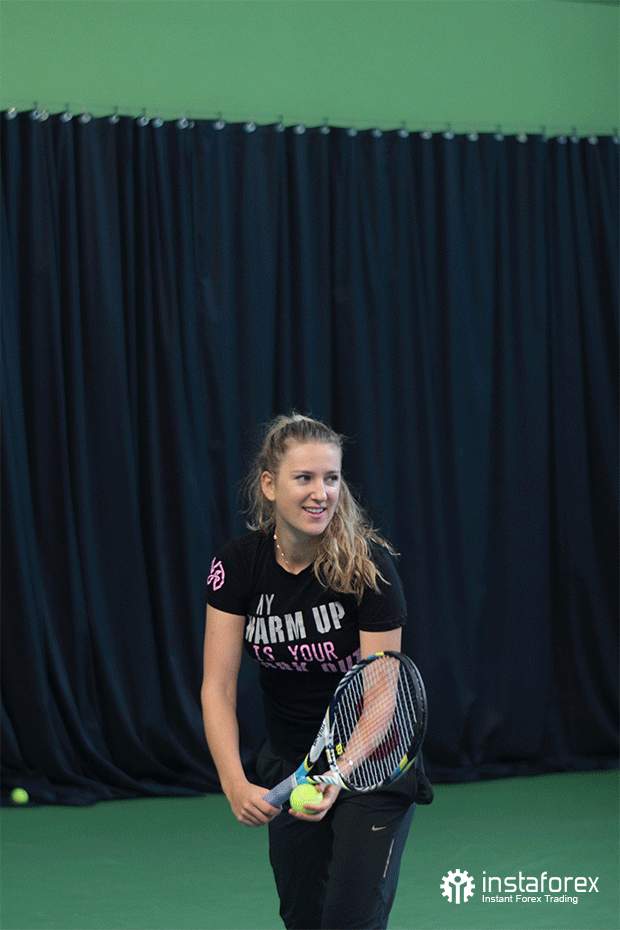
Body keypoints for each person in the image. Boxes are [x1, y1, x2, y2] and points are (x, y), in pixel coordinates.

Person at [202, 413, 432, 930]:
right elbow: (217, 686)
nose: (320, 493)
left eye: (331, 478)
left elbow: (381, 693)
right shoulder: (237, 565)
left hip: (371, 766)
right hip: (292, 761)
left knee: (350, 921)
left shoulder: (368, 566)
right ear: (269, 485)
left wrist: (338, 773)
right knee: (302, 918)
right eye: (304, 478)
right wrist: (234, 782)